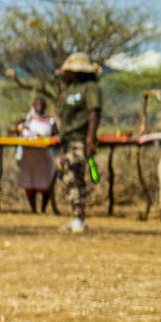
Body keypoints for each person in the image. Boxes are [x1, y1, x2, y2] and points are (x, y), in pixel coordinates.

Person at [54, 52, 104, 233]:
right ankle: (77, 217)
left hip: (81, 139)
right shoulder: (68, 90)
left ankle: (78, 219)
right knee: (69, 177)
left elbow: (94, 112)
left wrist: (90, 139)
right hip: (67, 140)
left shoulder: (90, 88)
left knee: (73, 176)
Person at [17, 95, 58, 214]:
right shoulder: (27, 119)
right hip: (29, 156)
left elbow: (56, 135)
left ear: (45, 106)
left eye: (42, 104)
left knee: (46, 182)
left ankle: (43, 209)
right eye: (37, 104)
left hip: (45, 156)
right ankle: (33, 209)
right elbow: (17, 129)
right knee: (30, 182)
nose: (39, 106)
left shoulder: (51, 121)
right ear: (33, 106)